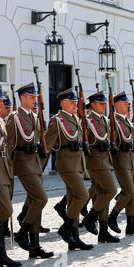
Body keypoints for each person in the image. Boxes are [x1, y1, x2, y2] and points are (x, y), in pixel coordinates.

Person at [7, 83, 53, 259]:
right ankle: (22, 232)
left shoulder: (34, 117)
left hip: (35, 162)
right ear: (23, 97)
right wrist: (8, 170)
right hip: (22, 163)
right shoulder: (14, 118)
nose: (34, 100)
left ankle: (35, 246)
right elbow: (9, 145)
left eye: (35, 97)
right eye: (32, 97)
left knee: (36, 203)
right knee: (41, 198)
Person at [45, 88, 93, 251]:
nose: (75, 105)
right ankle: (66, 227)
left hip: (78, 163)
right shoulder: (57, 120)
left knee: (74, 199)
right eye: (72, 102)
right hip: (66, 164)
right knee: (83, 195)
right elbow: (47, 145)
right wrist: (39, 166)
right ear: (63, 103)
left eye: (76, 102)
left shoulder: (76, 119)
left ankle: (74, 239)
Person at [0, 85, 21, 267]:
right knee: (6, 211)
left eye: (2, 100)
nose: (2, 103)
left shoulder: (0, 121)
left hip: (5, 169)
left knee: (0, 213)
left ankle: (0, 256)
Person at [82, 92, 119, 243]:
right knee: (111, 190)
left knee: (104, 194)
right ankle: (90, 217)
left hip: (106, 160)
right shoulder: (88, 120)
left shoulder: (104, 119)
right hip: (95, 161)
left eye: (105, 104)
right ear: (93, 105)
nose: (104, 106)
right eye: (101, 104)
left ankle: (103, 232)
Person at [107, 92, 134, 236]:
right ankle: (113, 216)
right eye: (124, 103)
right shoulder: (113, 120)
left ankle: (130, 225)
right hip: (120, 159)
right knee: (128, 190)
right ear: (115, 104)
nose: (127, 105)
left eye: (128, 103)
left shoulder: (128, 121)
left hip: (131, 159)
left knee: (133, 194)